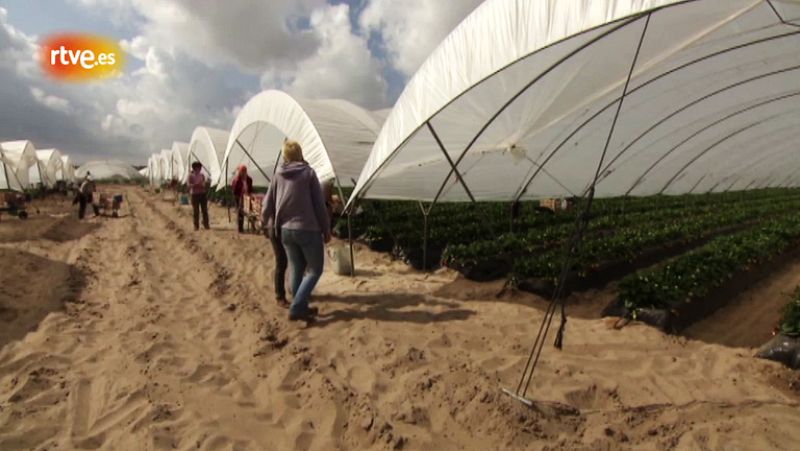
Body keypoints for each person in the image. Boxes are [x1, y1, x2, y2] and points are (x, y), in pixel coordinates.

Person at [264, 140, 330, 321]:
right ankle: (297, 307)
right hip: (308, 229)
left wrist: (266, 223)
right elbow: (319, 205)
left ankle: (300, 305)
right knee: (315, 270)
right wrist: (326, 229)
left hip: (285, 230)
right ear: (300, 153)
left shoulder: (277, 175)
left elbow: (267, 204)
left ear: (285, 156)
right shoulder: (308, 173)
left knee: (296, 268)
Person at [188, 161, 210, 230]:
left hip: (202, 194)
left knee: (204, 210)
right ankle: (196, 226)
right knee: (196, 211)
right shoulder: (191, 176)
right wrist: (195, 185)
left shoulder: (202, 175)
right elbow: (188, 185)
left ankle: (206, 225)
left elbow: (204, 184)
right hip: (195, 195)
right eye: (198, 168)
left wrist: (203, 185)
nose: (199, 169)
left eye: (200, 168)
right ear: (195, 168)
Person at [231, 165, 253, 233]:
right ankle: (240, 228)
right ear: (240, 172)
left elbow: (250, 189)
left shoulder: (249, 179)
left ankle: (253, 226)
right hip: (238, 197)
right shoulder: (236, 180)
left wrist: (249, 195)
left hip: (247, 197)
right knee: (240, 212)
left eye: (245, 171)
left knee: (251, 212)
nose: (243, 173)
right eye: (242, 171)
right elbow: (234, 191)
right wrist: (239, 197)